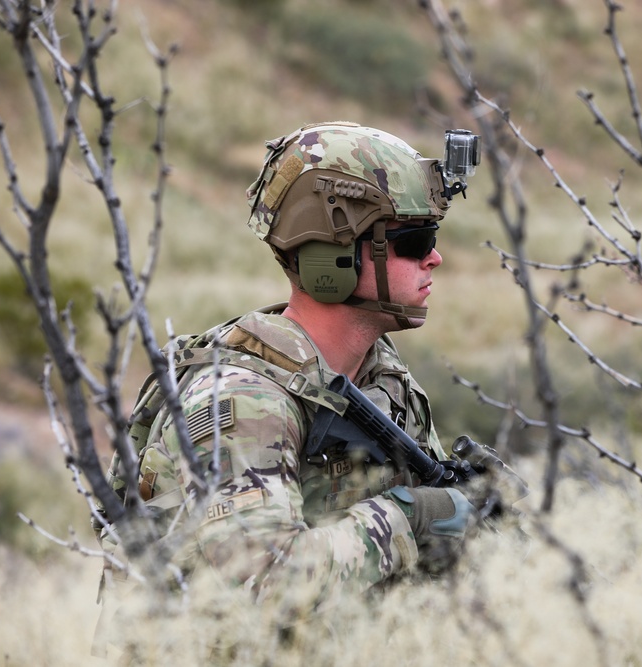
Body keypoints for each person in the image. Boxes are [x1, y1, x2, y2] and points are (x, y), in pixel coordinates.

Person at [94, 122, 508, 634]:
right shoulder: (243, 401)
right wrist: (414, 516)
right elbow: (261, 583)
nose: (434, 257)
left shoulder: (382, 378)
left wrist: (479, 519)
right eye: (414, 240)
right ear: (331, 256)